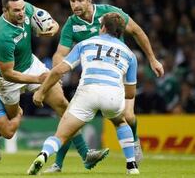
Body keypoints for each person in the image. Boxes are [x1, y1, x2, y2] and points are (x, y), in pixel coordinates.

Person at [0, 0, 109, 170]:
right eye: (16, 10)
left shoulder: (26, 10)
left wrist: (52, 29)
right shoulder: (2, 37)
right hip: (6, 80)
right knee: (9, 128)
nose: (21, 13)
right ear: (4, 11)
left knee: (63, 105)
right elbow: (8, 73)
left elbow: (50, 21)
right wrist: (39, 79)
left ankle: (85, 154)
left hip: (31, 64)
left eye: (22, 8)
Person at [46, 0, 165, 171]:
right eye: (72, 1)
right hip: (92, 77)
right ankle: (57, 164)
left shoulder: (110, 13)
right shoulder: (71, 23)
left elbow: (136, 31)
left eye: (79, 0)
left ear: (89, 1)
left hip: (119, 73)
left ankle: (134, 142)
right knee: (69, 119)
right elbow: (60, 53)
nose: (75, 5)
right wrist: (58, 72)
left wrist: (152, 59)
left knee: (128, 115)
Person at [28, 13, 139, 175]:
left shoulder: (86, 43)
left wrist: (42, 91)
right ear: (121, 32)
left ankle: (43, 155)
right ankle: (132, 165)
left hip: (87, 93)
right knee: (120, 122)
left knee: (62, 134)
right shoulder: (130, 54)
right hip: (113, 95)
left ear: (103, 27)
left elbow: (59, 70)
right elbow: (130, 93)